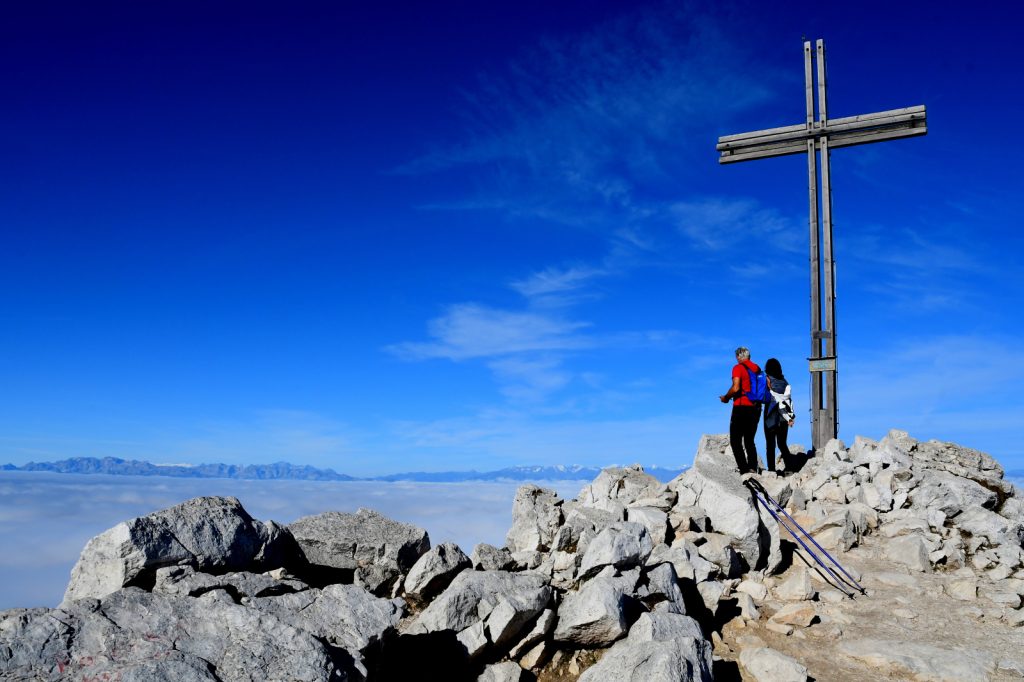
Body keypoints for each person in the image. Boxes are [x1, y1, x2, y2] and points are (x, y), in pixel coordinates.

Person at [719, 346, 762, 474]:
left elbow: (736, 387)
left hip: (741, 407)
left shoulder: (738, 368)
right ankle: (753, 467)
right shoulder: (758, 369)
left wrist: (726, 397)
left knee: (735, 440)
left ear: (739, 356)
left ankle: (744, 470)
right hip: (756, 407)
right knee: (749, 439)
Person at [763, 357, 795, 473]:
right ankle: (790, 468)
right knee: (782, 443)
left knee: (770, 445)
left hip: (770, 416)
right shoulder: (785, 382)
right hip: (783, 418)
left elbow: (762, 396)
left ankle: (771, 470)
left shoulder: (767, 380)